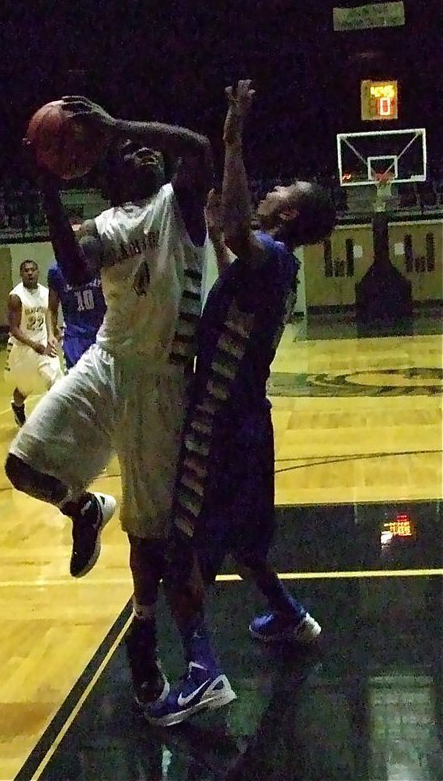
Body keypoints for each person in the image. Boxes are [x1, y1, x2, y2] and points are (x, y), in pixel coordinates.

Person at [5, 95, 212, 709]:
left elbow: (198, 147)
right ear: (104, 174)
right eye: (128, 150)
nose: (145, 150)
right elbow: (70, 264)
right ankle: (85, 505)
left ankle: (143, 641)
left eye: (145, 146)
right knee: (23, 465)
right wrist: (47, 181)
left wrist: (119, 124)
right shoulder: (103, 227)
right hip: (107, 360)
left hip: (162, 382)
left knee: (149, 539)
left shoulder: (179, 204)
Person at [146, 80, 337, 726]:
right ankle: (286, 615)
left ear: (286, 216)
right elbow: (228, 235)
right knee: (247, 542)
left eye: (281, 192)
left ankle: (202, 672)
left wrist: (231, 140)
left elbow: (234, 228)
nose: (271, 189)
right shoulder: (276, 266)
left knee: (183, 554)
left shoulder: (272, 254)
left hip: (218, 422)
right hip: (249, 420)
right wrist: (215, 224)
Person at [5, 259, 64, 426]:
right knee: (24, 390)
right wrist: (33, 345)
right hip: (24, 349)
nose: (30, 273)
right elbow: (14, 329)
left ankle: (56, 423)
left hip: (45, 346)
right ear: (21, 274)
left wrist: (55, 332)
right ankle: (17, 407)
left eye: (33, 269)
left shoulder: (46, 293)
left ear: (38, 272)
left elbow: (50, 314)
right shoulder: (16, 297)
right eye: (26, 270)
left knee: (57, 382)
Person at [47, 230, 106, 370]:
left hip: (101, 334)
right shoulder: (57, 271)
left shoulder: (100, 266)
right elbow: (52, 308)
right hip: (75, 338)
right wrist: (50, 333)